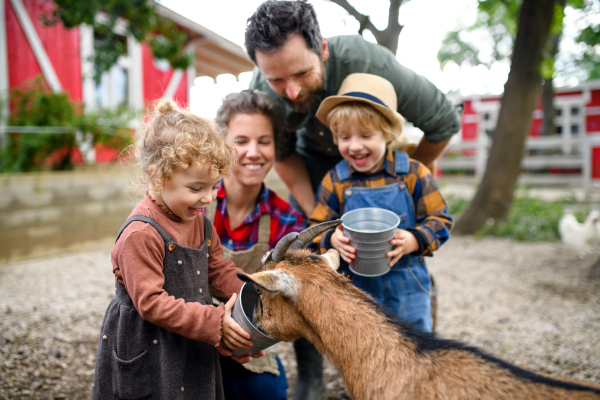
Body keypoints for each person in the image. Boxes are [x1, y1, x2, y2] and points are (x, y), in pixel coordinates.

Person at [245, 1, 461, 398]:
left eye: (302, 72)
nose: (290, 90)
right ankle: (312, 371)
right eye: (277, 79)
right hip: (316, 166)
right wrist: (321, 223)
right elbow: (283, 153)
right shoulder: (265, 90)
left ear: (322, 49)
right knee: (306, 261)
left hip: (386, 158)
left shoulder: (370, 64)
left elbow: (444, 122)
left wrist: (404, 178)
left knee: (408, 319)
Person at [92, 99, 263, 400]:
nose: (208, 198)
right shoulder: (141, 234)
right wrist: (214, 321)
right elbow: (151, 303)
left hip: (192, 337)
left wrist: (255, 299)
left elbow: (219, 270)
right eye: (196, 188)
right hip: (150, 348)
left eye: (214, 187)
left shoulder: (199, 222)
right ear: (158, 177)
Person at [310, 72, 453, 332]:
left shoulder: (414, 173)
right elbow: (314, 230)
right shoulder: (335, 181)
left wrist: (414, 240)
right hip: (355, 290)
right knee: (361, 351)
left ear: (387, 134)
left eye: (366, 136)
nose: (354, 146)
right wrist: (331, 239)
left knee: (415, 351)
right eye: (345, 137)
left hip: (407, 287)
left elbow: (441, 220)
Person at [204, 89, 305, 400]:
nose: (253, 152)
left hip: (248, 342)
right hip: (187, 332)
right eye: (241, 141)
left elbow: (287, 297)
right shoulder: (195, 202)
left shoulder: (285, 220)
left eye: (264, 141)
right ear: (222, 145)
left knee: (267, 391)